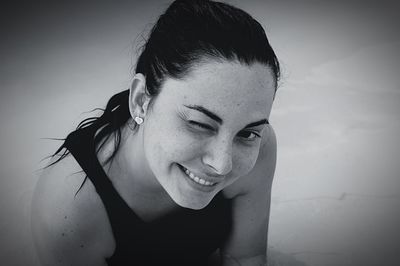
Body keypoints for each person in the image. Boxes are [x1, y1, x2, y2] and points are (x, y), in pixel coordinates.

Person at [31, 0, 280, 265]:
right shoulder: (69, 211)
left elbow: (247, 258)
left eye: (247, 133)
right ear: (140, 99)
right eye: (199, 123)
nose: (222, 164)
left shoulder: (259, 145)